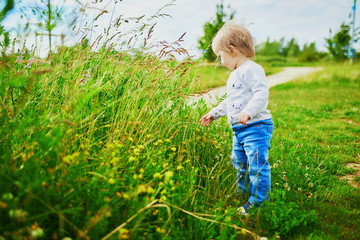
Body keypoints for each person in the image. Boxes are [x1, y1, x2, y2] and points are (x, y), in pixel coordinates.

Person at [199, 19, 274, 215]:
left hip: (256, 127)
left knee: (257, 165)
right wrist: (214, 113)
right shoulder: (235, 74)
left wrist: (248, 111)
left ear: (232, 50)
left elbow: (261, 94)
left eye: (220, 56)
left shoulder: (252, 69)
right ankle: (242, 192)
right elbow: (230, 100)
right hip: (239, 130)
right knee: (239, 162)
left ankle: (259, 202)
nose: (220, 61)